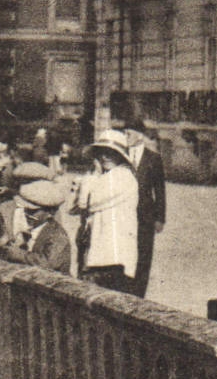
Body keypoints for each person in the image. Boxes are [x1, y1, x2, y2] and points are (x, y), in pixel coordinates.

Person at [70, 131, 140, 293]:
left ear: (121, 156)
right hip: (99, 251)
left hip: (113, 256)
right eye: (101, 152)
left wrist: (92, 175)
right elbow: (72, 207)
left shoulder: (122, 176)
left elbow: (87, 202)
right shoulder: (106, 177)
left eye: (111, 153)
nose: (105, 157)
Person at [119, 119, 167, 298]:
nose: (126, 137)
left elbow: (160, 190)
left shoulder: (153, 158)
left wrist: (160, 218)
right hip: (124, 216)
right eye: (124, 134)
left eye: (129, 133)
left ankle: (139, 296)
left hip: (145, 217)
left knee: (144, 257)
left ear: (139, 136)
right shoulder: (121, 156)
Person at [0, 180, 73, 275]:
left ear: (50, 213)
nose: (27, 214)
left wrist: (18, 254)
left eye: (33, 211)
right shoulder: (31, 231)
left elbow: (48, 264)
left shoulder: (58, 235)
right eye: (26, 210)